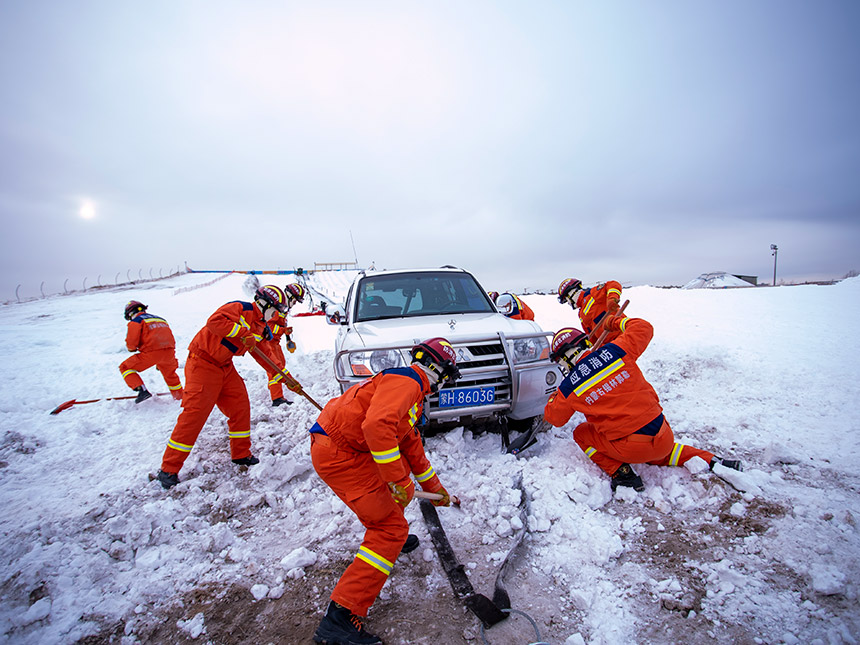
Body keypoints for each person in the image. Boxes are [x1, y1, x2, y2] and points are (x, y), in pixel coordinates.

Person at [309, 337, 459, 645]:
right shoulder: (409, 383)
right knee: (389, 527)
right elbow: (376, 428)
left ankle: (392, 536)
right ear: (439, 370)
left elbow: (409, 444)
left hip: (350, 449)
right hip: (340, 454)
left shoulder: (409, 390)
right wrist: (398, 482)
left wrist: (436, 490)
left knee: (398, 475)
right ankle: (339, 619)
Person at [544, 317, 741, 492]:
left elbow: (554, 418)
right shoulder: (614, 350)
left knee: (581, 433)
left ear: (565, 358)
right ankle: (714, 461)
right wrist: (614, 322)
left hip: (630, 448)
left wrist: (556, 395)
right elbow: (643, 327)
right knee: (664, 450)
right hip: (663, 435)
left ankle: (623, 476)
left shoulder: (571, 386)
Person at [155, 285, 287, 489]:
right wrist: (242, 332)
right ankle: (168, 469)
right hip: (202, 363)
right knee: (194, 416)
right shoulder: (240, 308)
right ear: (264, 303)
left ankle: (241, 455)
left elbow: (266, 356)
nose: (276, 314)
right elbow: (214, 322)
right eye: (275, 309)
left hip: (225, 367)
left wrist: (285, 376)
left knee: (240, 406)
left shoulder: (260, 326)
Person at [250, 283, 305, 407]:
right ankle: (277, 398)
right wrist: (283, 331)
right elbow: (268, 327)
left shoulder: (282, 307)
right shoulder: (274, 308)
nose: (295, 304)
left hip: (275, 342)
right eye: (295, 301)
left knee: (281, 364)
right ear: (291, 297)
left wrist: (287, 338)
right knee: (274, 368)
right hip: (269, 343)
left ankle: (277, 395)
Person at [119, 301, 183, 403]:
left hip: (152, 352)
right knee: (170, 375)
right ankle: (179, 397)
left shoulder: (137, 321)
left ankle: (142, 390)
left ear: (131, 313)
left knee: (125, 367)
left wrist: (132, 348)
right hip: (169, 352)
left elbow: (132, 342)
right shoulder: (161, 319)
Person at [557, 278, 626, 343]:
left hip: (624, 335)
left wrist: (612, 298)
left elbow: (613, 284)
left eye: (567, 300)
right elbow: (591, 336)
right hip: (610, 345)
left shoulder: (592, 294)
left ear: (571, 293)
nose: (568, 303)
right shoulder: (581, 314)